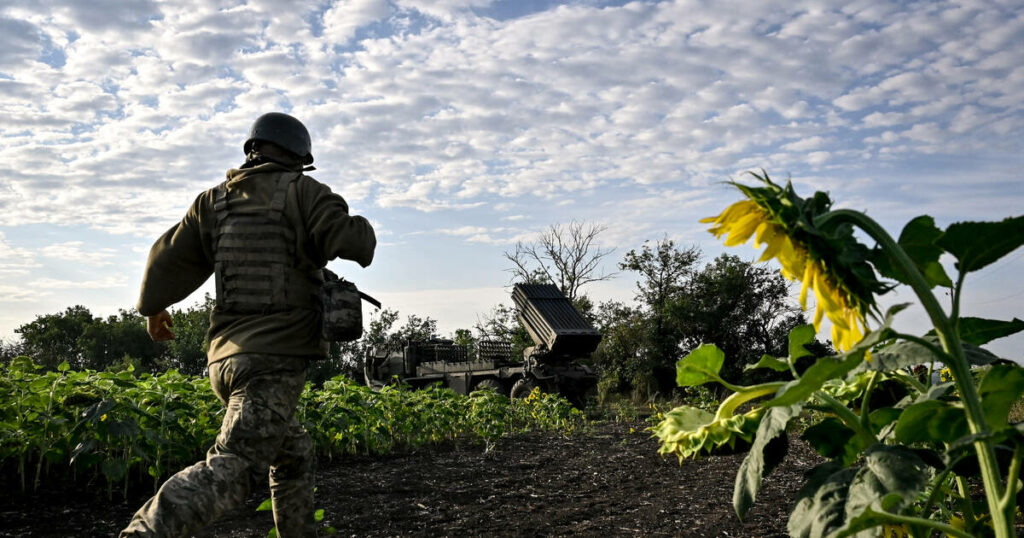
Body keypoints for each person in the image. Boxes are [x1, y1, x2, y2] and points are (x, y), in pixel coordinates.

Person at [121, 112, 376, 537]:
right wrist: (360, 226)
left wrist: (154, 308)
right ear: (299, 156)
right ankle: (144, 532)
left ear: (252, 151)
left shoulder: (213, 201)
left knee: (293, 452)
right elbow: (354, 244)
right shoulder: (305, 191)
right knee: (233, 467)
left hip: (225, 362)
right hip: (274, 362)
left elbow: (167, 257)